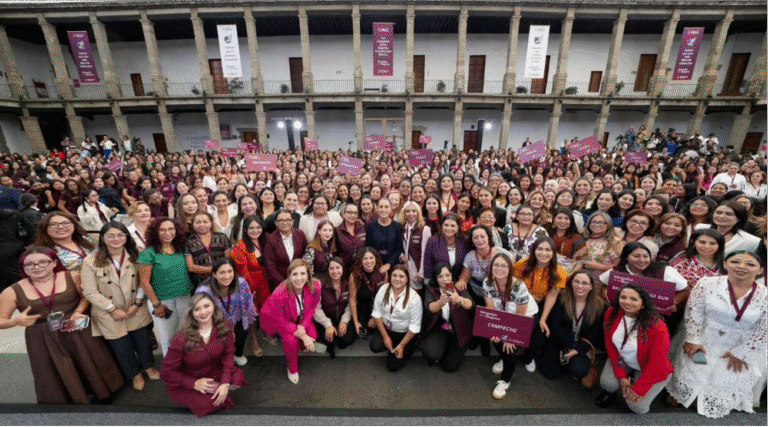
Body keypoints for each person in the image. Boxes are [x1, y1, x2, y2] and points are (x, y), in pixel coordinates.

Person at [0, 246, 124, 403]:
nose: (36, 267)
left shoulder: (72, 276)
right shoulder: (12, 291)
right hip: (42, 336)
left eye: (42, 262)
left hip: (76, 326)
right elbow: (1, 320)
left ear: (53, 263)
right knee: (53, 368)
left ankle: (101, 391)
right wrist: (15, 321)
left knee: (89, 360)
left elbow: (87, 296)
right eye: (29, 264)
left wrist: (79, 311)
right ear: (23, 268)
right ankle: (70, 397)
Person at [666, 251, 767, 419]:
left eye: (750, 264)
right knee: (691, 385)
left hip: (739, 346)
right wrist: (693, 340)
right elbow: (694, 312)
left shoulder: (765, 295)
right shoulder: (706, 283)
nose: (742, 267)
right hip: (703, 340)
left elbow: (764, 329)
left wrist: (742, 353)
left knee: (720, 392)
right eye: (735, 261)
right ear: (726, 264)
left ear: (760, 270)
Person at [80, 222, 157, 391]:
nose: (116, 239)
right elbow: (90, 291)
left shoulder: (137, 254)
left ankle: (148, 367)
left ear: (127, 237)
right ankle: (134, 375)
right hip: (108, 312)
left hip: (135, 306)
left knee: (143, 341)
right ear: (102, 238)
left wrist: (137, 303)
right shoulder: (91, 261)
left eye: (121, 235)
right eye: (111, 235)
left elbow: (145, 281)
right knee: (122, 347)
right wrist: (112, 309)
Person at [160, 293, 246, 417]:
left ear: (214, 307)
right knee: (207, 405)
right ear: (191, 313)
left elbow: (228, 354)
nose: (203, 312)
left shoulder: (224, 325)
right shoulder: (181, 337)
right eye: (197, 309)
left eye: (206, 306)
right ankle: (214, 393)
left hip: (214, 371)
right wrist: (194, 383)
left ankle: (218, 390)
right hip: (190, 378)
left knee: (238, 379)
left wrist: (225, 382)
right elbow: (166, 372)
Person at [596, 283, 673, 414]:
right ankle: (623, 382)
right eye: (623, 297)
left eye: (634, 299)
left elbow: (657, 362)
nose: (627, 302)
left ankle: (639, 382)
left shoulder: (657, 326)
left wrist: (639, 388)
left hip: (650, 368)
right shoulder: (611, 313)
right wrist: (621, 376)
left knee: (638, 408)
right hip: (623, 359)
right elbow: (611, 347)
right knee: (608, 384)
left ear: (643, 303)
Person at [482, 252, 538, 400]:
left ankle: (505, 380)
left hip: (526, 317)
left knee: (509, 349)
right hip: (504, 316)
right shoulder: (487, 283)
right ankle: (503, 359)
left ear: (510, 268)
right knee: (497, 341)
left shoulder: (519, 286)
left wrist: (511, 337)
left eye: (504, 265)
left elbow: (520, 315)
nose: (499, 268)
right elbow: (491, 309)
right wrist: (495, 331)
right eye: (496, 265)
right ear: (491, 267)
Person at [260, 259, 322, 384]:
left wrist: (303, 326)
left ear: (308, 275)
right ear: (289, 276)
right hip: (279, 319)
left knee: (313, 336)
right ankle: (292, 369)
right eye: (295, 274)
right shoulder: (279, 293)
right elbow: (279, 319)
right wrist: (303, 335)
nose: (299, 278)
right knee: (291, 341)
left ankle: (301, 342)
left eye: (303, 274)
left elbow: (311, 309)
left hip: (299, 316)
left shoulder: (315, 286)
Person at [137, 218, 193, 356]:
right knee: (168, 338)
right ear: (155, 232)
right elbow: (144, 282)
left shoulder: (181, 249)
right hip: (163, 302)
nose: (167, 233)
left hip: (185, 298)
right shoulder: (148, 254)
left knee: (186, 335)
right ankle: (171, 370)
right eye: (162, 230)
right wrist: (157, 305)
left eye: (171, 229)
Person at [540, 271, 607, 383]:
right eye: (576, 281)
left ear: (591, 287)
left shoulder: (599, 305)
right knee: (551, 373)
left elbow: (595, 333)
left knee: (579, 371)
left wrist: (577, 349)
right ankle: (560, 361)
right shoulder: (561, 298)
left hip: (581, 344)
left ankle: (568, 363)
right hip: (560, 341)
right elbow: (555, 324)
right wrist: (569, 345)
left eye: (585, 283)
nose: (580, 286)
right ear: (571, 283)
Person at [514, 236, 568, 373]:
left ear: (553, 252)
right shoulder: (524, 263)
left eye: (548, 250)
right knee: (523, 327)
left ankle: (529, 356)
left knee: (539, 335)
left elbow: (552, 295)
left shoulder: (560, 270)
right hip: (523, 299)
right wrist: (529, 296)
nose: (544, 253)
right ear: (534, 251)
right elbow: (514, 281)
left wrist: (543, 318)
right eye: (540, 249)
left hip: (545, 303)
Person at [195, 258, 258, 366]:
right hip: (215, 323)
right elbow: (201, 315)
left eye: (230, 271)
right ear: (214, 274)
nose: (227, 276)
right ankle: (222, 358)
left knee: (242, 332)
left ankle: (238, 354)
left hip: (238, 318)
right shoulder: (204, 291)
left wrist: (242, 320)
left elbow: (248, 305)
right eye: (222, 272)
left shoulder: (241, 283)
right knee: (219, 343)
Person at [370, 264, 423, 372]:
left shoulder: (414, 298)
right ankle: (391, 344)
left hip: (404, 334)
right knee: (374, 346)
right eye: (394, 275)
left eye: (401, 276)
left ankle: (407, 347)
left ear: (407, 279)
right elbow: (377, 314)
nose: (397, 279)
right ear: (390, 277)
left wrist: (402, 345)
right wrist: (385, 337)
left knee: (392, 367)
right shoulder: (383, 289)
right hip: (387, 330)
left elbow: (414, 327)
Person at [422, 263, 474, 372]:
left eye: (447, 275)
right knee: (431, 354)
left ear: (452, 275)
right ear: (435, 278)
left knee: (449, 367)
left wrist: (459, 299)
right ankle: (441, 345)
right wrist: (440, 303)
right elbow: (430, 308)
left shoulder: (458, 287)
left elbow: (470, 304)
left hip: (459, 328)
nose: (445, 279)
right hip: (441, 326)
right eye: (440, 276)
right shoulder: (431, 289)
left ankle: (451, 347)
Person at [312, 257, 356, 358]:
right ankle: (330, 336)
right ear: (328, 270)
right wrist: (328, 325)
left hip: (341, 315)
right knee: (328, 339)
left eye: (338, 268)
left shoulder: (348, 283)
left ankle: (340, 335)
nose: (335, 271)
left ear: (343, 269)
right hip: (326, 317)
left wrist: (344, 321)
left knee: (346, 340)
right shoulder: (320, 284)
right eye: (331, 268)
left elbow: (351, 304)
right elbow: (316, 308)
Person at [263, 209, 308, 291]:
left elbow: (306, 256)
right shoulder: (271, 239)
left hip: (300, 280)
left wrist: (301, 278)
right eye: (281, 220)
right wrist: (284, 283)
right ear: (276, 223)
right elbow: (270, 266)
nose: (285, 223)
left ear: (292, 222)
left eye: (288, 220)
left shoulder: (300, 234)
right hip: (280, 283)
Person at [348, 247, 388, 340]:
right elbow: (352, 299)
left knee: (378, 334)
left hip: (377, 308)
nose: (368, 261)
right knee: (348, 338)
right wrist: (356, 322)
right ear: (360, 261)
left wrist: (375, 317)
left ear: (376, 259)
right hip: (362, 307)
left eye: (371, 258)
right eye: (365, 258)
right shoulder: (354, 275)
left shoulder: (383, 273)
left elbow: (384, 298)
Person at [696, 200, 761, 256]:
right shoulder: (700, 228)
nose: (721, 216)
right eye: (718, 213)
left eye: (729, 214)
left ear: (739, 218)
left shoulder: (751, 241)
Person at [184, 212, 232, 286]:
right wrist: (213, 270)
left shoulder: (222, 237)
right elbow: (191, 267)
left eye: (205, 222)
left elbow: (228, 259)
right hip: (201, 283)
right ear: (193, 224)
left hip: (223, 280)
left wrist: (220, 272)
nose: (202, 225)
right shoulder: (188, 241)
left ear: (211, 223)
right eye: (198, 222)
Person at [422, 213, 468, 286]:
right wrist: (428, 283)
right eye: (446, 225)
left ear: (458, 227)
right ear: (442, 226)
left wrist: (462, 279)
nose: (449, 228)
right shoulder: (433, 241)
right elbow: (427, 263)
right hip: (437, 283)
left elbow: (468, 264)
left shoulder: (464, 241)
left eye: (452, 226)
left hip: (458, 283)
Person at [397, 201, 431, 289]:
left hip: (418, 268)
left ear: (418, 213)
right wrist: (401, 256)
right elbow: (399, 247)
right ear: (404, 213)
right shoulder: (402, 228)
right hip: (406, 267)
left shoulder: (424, 229)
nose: (411, 214)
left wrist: (422, 273)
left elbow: (425, 253)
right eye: (408, 211)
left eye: (414, 211)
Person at [365, 198, 403, 274]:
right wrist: (377, 264)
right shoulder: (370, 226)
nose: (383, 209)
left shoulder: (397, 226)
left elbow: (398, 249)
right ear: (377, 209)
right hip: (374, 265)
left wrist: (389, 264)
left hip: (393, 265)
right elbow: (368, 247)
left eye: (386, 207)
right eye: (381, 207)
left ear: (390, 209)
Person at [335, 202, 367, 272]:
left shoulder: (362, 227)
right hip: (343, 269)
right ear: (344, 214)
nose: (353, 215)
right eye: (349, 212)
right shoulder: (337, 231)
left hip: (361, 269)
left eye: (355, 213)